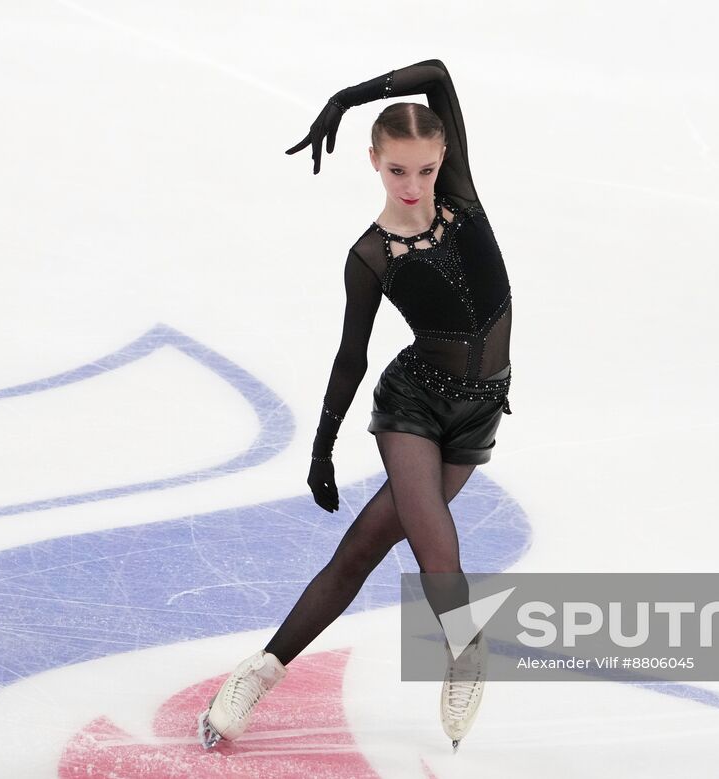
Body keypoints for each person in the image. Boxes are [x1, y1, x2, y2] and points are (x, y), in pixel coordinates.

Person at [197, 58, 513, 754]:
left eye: (424, 170)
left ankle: (260, 668)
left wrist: (347, 96)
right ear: (374, 162)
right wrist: (321, 446)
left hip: (480, 412)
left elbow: (436, 74)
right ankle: (464, 649)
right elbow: (351, 356)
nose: (413, 185)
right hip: (413, 407)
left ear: (443, 159)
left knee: (364, 547)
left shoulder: (460, 197)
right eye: (397, 170)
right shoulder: (371, 255)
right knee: (432, 539)